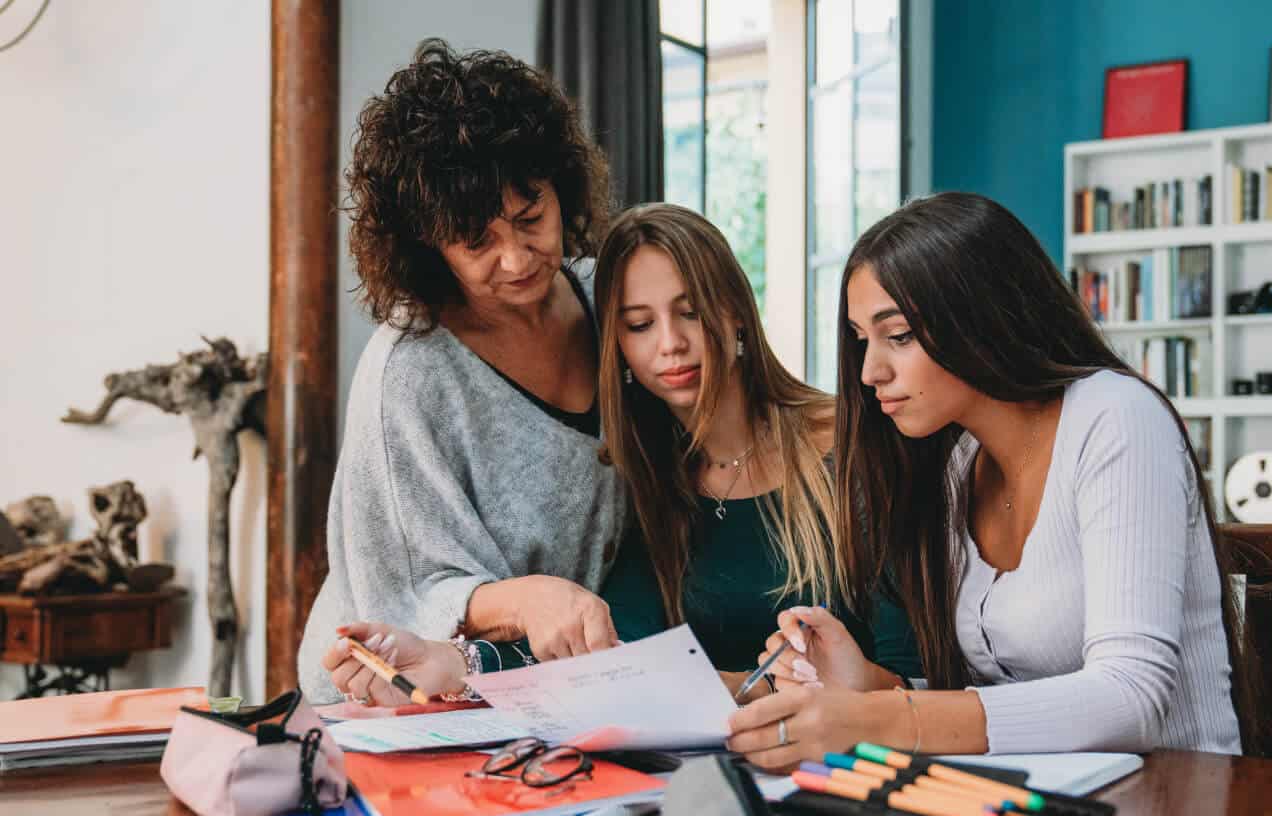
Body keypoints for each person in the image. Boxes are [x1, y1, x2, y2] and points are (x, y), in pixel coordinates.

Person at [727, 192, 1248, 769]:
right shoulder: (960, 467)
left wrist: (872, 718)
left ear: (982, 318)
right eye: (861, 340)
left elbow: (1131, 699)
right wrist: (862, 686)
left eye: (897, 336)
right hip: (1049, 803)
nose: (871, 372)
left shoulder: (1117, 418)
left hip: (1183, 805)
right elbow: (1008, 707)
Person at [322, 204, 922, 700]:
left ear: (737, 312)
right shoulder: (648, 484)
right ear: (619, 352)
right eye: (639, 325)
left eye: (690, 311)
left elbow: (913, 675)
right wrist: (452, 663)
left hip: (850, 771)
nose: (672, 345)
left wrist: (815, 686)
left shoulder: (850, 445)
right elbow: (606, 657)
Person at [298, 39, 626, 706]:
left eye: (530, 218)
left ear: (562, 190)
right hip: (391, 698)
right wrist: (531, 599)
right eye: (477, 243)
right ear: (429, 247)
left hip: (537, 684)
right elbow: (397, 591)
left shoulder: (613, 302)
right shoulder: (409, 372)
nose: (516, 259)